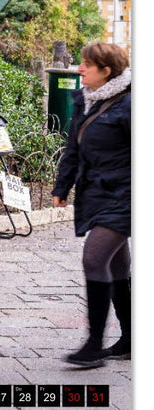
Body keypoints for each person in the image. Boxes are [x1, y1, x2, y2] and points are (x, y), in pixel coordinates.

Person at [52, 43, 131, 367]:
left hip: (126, 196)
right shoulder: (85, 101)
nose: (80, 69)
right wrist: (62, 186)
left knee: (94, 258)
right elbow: (73, 147)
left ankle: (95, 345)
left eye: (87, 64)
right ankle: (131, 340)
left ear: (106, 71)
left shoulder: (131, 104)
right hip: (97, 194)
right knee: (116, 267)